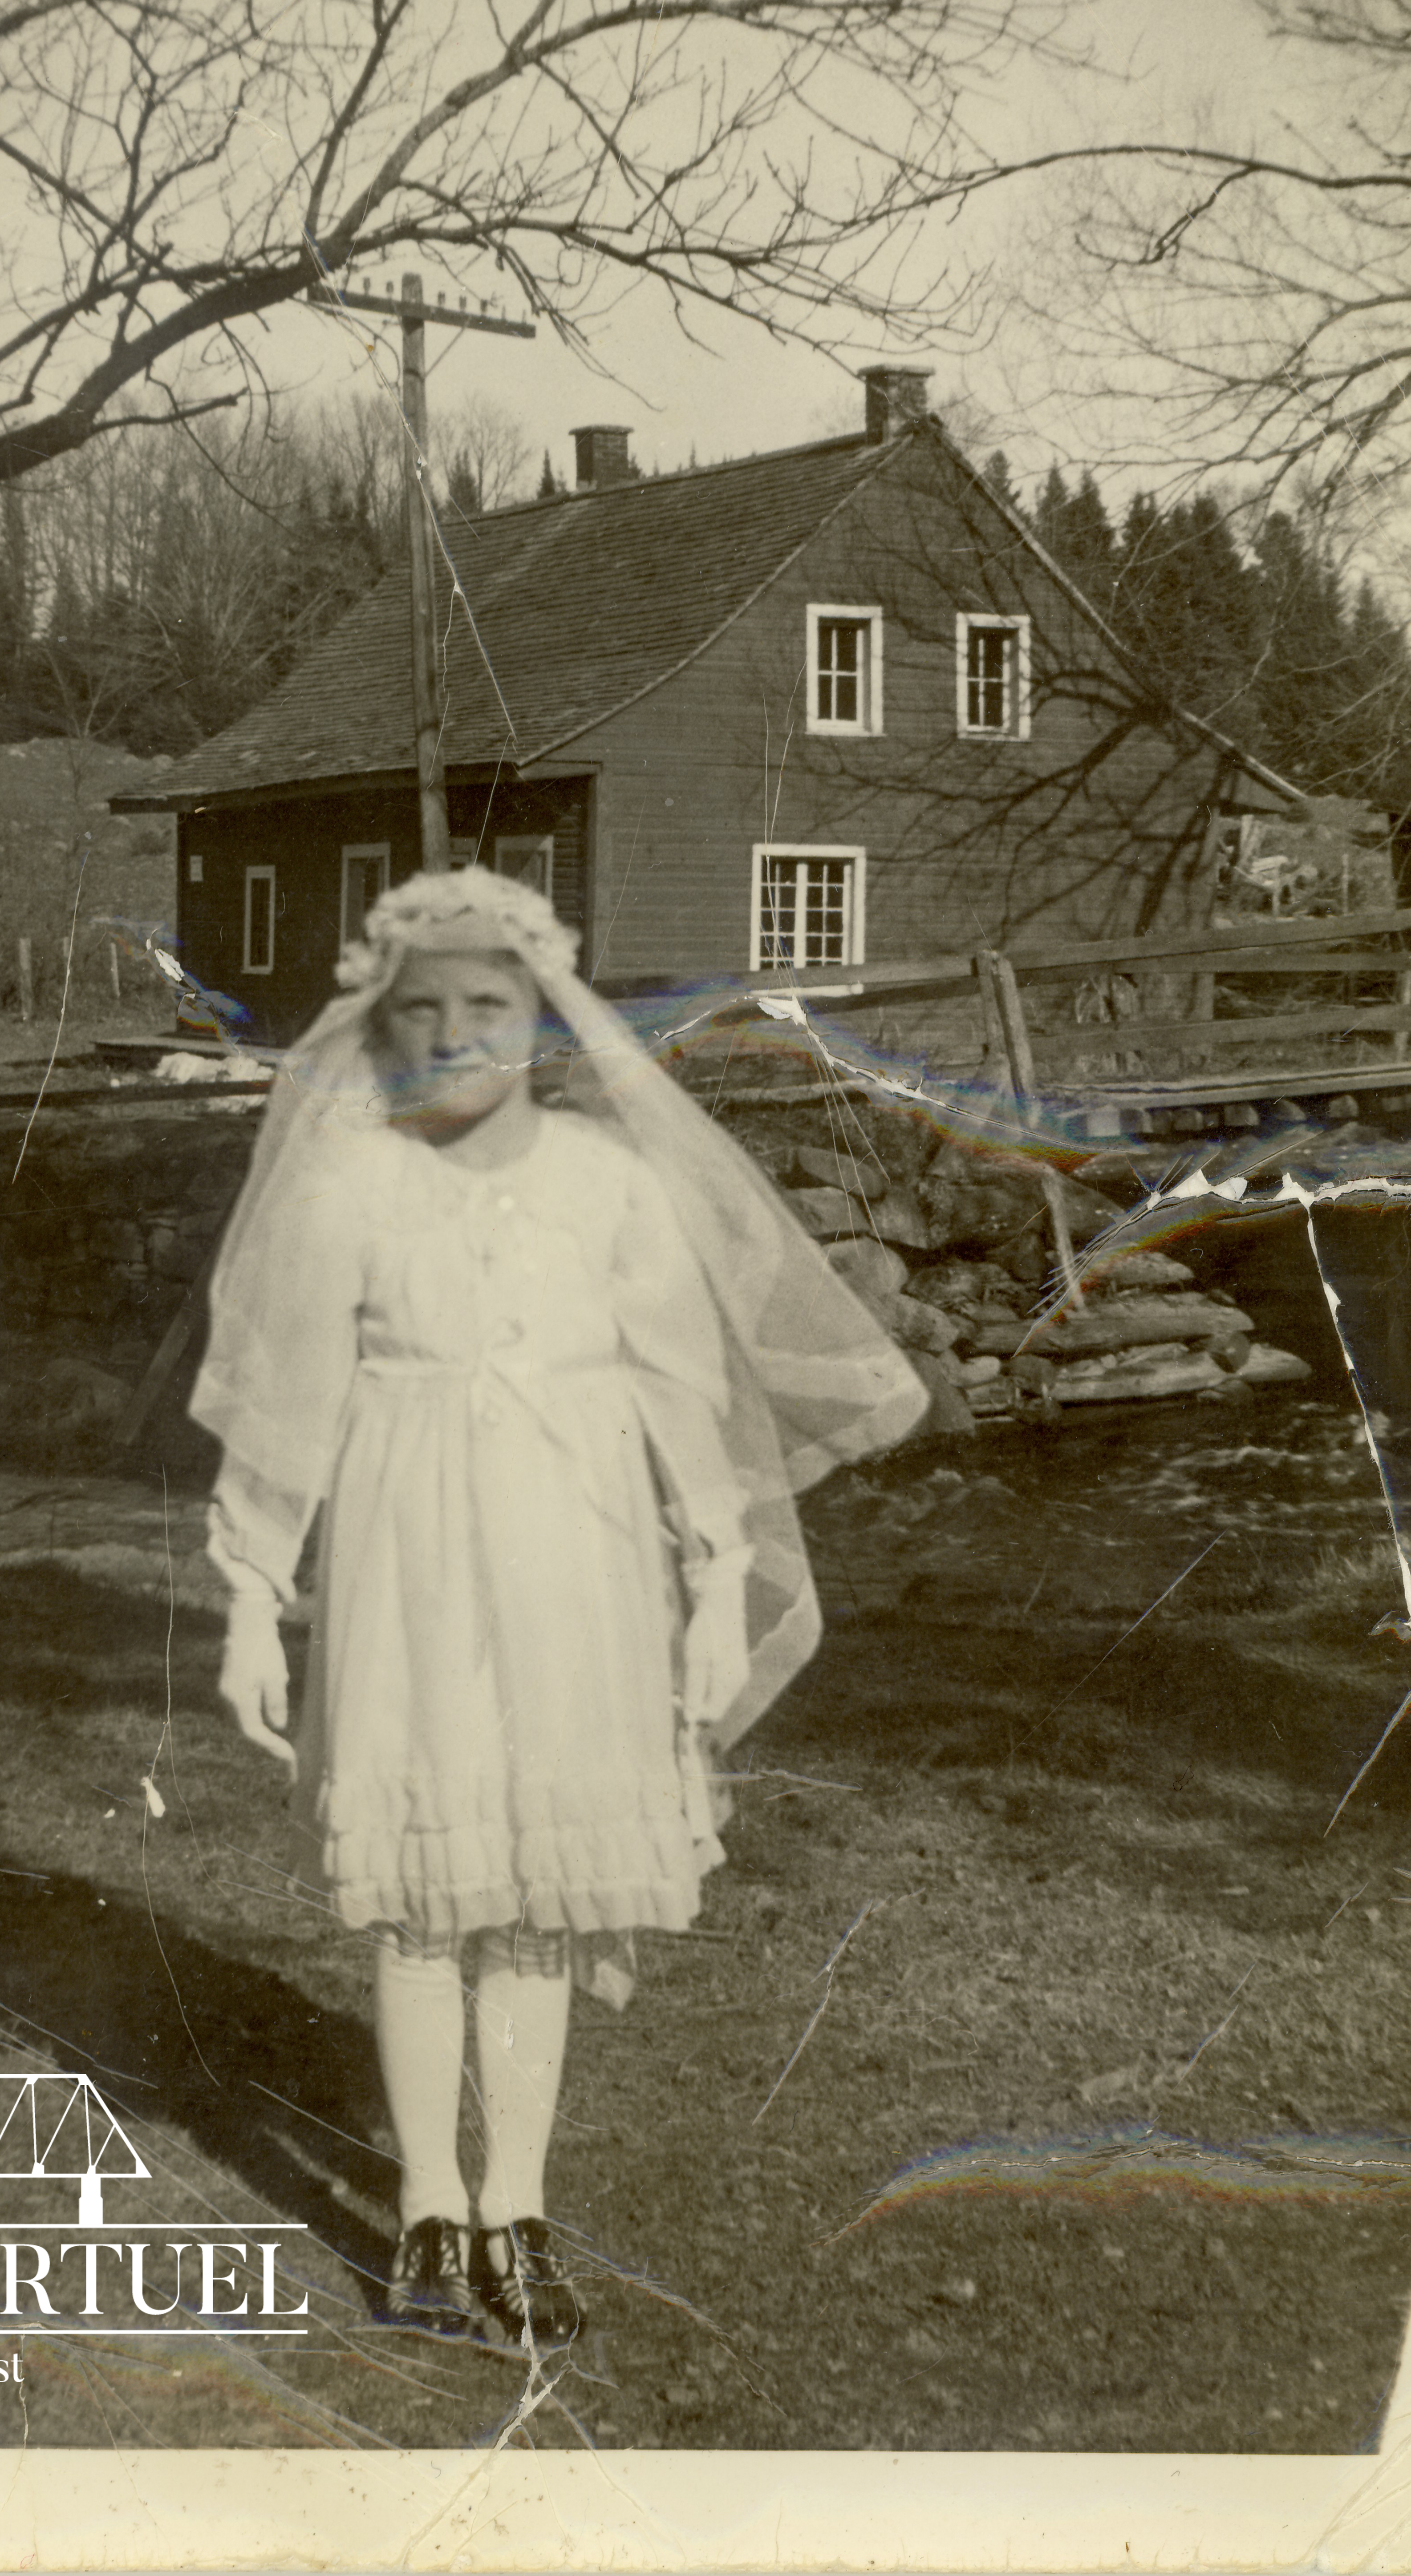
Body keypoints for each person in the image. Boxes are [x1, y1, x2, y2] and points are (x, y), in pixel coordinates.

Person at [192, 865, 926, 2353]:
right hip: (405, 1555)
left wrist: (718, 1580)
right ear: (380, 1026)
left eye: (491, 1007)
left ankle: (514, 2213)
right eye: (426, 1013)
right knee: (419, 1891)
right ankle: (423, 2218)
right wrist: (252, 1599)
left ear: (539, 1017)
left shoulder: (609, 1185)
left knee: (532, 1902)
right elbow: (287, 1407)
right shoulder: (348, 1182)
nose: (460, 1036)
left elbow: (679, 1392)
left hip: (580, 1560)